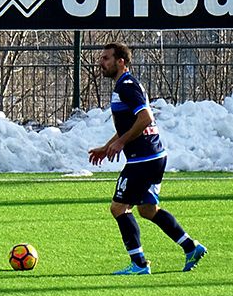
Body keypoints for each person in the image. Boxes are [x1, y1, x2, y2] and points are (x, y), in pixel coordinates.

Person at [88, 42, 207, 275]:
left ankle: (139, 264)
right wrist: (108, 145)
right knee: (148, 210)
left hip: (143, 159)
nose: (101, 63)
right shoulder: (125, 84)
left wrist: (121, 143)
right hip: (153, 156)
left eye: (106, 58)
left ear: (120, 61)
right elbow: (131, 122)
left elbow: (145, 118)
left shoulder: (126, 86)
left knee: (119, 208)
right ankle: (190, 247)